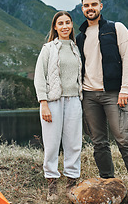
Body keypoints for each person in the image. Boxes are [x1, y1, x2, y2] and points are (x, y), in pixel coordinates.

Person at [75, 0, 128, 204]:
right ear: (82, 9)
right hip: (89, 96)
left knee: (125, 140)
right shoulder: (80, 37)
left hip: (113, 94)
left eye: (94, 4)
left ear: (101, 6)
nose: (90, 8)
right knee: (99, 143)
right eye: (86, 5)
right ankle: (108, 185)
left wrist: (126, 89)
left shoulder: (116, 28)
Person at [34, 11, 83, 201]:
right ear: (55, 27)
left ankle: (71, 182)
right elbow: (40, 77)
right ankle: (52, 184)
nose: (64, 26)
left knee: (73, 143)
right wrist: (43, 103)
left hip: (74, 101)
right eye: (60, 23)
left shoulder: (76, 48)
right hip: (52, 101)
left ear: (72, 25)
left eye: (68, 23)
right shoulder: (48, 48)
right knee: (52, 143)